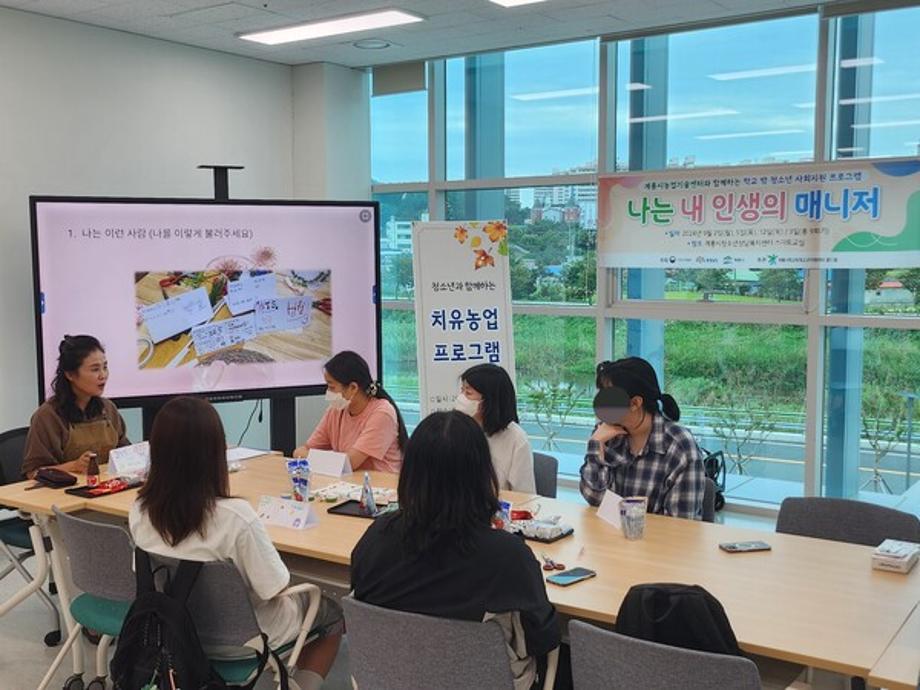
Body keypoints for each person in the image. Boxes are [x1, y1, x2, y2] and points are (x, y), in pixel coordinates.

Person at [129, 397, 343, 690]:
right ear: (215, 452)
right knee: (331, 613)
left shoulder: (140, 510)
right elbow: (275, 586)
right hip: (247, 638)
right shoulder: (235, 517)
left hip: (173, 631)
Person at [351, 411, 564, 690]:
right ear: (482, 473)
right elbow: (543, 636)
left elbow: (361, 602)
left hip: (391, 679)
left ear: (410, 472)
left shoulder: (378, 536)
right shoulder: (506, 556)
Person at [579, 357, 705, 520]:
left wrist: (620, 513)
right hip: (611, 539)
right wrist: (595, 445)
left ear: (635, 403)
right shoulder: (606, 434)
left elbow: (679, 524)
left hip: (659, 543)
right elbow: (594, 499)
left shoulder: (679, 445)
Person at [23, 334, 130, 479]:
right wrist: (73, 466)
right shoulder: (48, 416)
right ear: (70, 374)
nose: (103, 375)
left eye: (105, 367)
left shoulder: (108, 408)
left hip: (106, 489)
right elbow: (33, 473)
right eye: (95, 369)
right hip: (63, 496)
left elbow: (125, 454)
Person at [293, 351, 407, 473]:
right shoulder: (335, 411)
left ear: (353, 387)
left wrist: (314, 459)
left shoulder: (382, 413)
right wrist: (328, 461)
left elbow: (349, 464)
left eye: (331, 387)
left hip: (379, 488)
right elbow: (300, 451)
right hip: (348, 485)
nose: (328, 392)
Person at [455, 363, 536, 493]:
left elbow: (525, 496)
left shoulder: (516, 438)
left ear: (489, 401)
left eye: (468, 392)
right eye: (462, 390)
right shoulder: (454, 430)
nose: (461, 398)